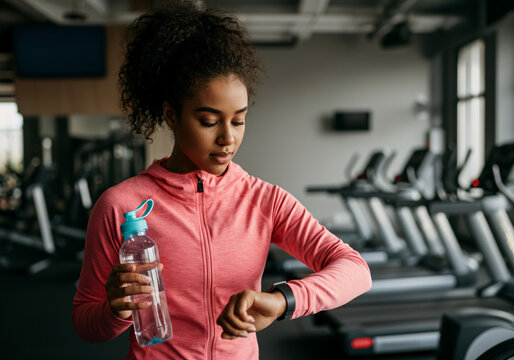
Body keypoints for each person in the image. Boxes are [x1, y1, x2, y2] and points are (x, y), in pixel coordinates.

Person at [72, 1, 372, 359]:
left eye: (239, 120)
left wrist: (283, 300)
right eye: (209, 121)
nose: (227, 138)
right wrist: (116, 310)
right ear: (172, 115)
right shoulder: (121, 205)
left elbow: (355, 269)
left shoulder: (265, 200)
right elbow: (86, 323)